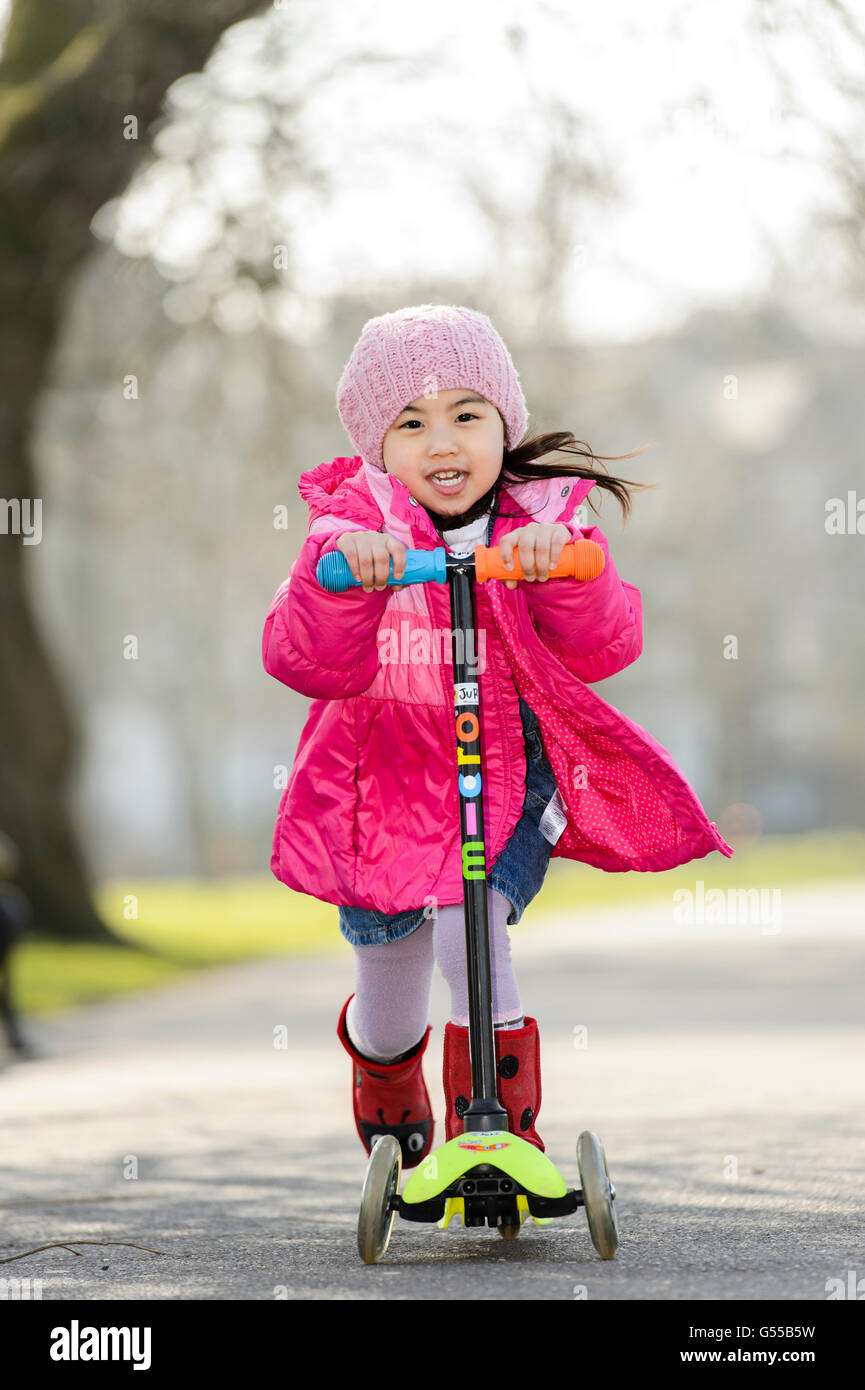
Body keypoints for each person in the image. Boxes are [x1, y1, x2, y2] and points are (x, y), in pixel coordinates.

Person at [262, 304, 733, 1169]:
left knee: (468, 919)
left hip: (502, 774)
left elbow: (606, 643)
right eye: (412, 423)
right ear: (378, 444)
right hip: (384, 787)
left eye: (464, 415)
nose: (441, 443)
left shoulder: (539, 522)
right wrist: (348, 583)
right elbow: (303, 660)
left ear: (502, 424)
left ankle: (496, 1129)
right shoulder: (349, 529)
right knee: (391, 975)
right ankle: (384, 1066)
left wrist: (564, 567)